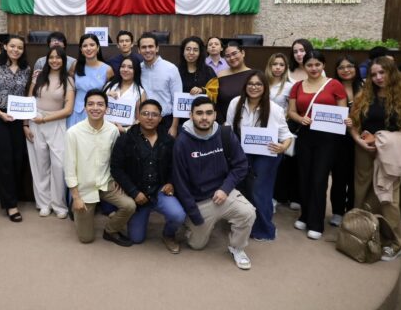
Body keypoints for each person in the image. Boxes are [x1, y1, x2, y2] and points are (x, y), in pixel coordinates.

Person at [350, 57, 401, 261]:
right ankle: (362, 234)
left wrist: (385, 141)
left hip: (394, 151)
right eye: (373, 74)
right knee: (362, 193)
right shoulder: (364, 95)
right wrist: (359, 140)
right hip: (365, 150)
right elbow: (354, 124)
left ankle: (395, 242)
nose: (378, 77)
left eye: (382, 72)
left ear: (392, 72)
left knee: (388, 198)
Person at [172, 96, 255, 270]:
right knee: (196, 245)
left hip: (223, 194)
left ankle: (237, 248)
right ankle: (188, 225)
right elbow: (180, 184)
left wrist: (225, 189)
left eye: (209, 113)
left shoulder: (225, 134)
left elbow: (241, 165)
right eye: (199, 113)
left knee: (248, 212)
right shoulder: (182, 142)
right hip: (199, 202)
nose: (204, 117)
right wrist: (194, 215)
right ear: (191, 115)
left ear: (215, 115)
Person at [287, 50, 348, 240]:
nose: (313, 68)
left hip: (328, 138)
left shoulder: (334, 84)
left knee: (319, 179)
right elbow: (291, 112)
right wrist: (300, 118)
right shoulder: (297, 86)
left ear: (323, 65)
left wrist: (346, 120)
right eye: (309, 65)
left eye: (317, 64)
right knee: (304, 176)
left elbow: (343, 111)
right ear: (304, 66)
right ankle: (305, 215)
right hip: (305, 136)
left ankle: (316, 222)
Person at [111, 99, 185, 253]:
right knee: (136, 238)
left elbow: (175, 166)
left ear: (160, 118)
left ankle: (168, 235)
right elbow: (116, 168)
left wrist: (170, 182)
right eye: (145, 113)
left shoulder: (168, 140)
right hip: (138, 194)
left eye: (154, 114)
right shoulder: (125, 139)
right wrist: (134, 192)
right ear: (138, 116)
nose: (150, 118)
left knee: (178, 215)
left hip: (159, 191)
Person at [226, 71, 292, 241]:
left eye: (258, 84)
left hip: (267, 154)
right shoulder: (235, 103)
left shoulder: (275, 109)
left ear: (264, 87)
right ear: (245, 86)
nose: (254, 87)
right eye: (250, 84)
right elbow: (229, 128)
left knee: (259, 190)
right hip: (242, 152)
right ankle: (242, 224)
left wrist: (282, 147)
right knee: (242, 188)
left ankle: (264, 229)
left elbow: (287, 136)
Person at [65, 89, 136, 245]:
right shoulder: (73, 133)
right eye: (90, 104)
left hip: (106, 183)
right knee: (86, 239)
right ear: (85, 107)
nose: (95, 108)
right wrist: (76, 197)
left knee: (129, 206)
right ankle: (74, 206)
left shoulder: (112, 130)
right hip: (84, 187)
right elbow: (69, 168)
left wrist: (118, 180)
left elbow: (115, 160)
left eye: (100, 104)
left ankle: (110, 230)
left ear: (106, 108)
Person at [0, 35, 31, 222]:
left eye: (20, 47)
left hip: (16, 117)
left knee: (17, 159)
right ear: (5, 47)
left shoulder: (26, 69)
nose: (16, 50)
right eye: (12, 46)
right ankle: (11, 205)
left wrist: (25, 120)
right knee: (4, 161)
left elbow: (25, 95)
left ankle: (11, 196)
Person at [25, 46, 74, 219]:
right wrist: (25, 124)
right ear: (47, 59)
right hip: (35, 122)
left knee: (59, 166)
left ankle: (59, 204)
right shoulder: (38, 76)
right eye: (51, 57)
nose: (54, 60)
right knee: (40, 165)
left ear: (63, 60)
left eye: (58, 57)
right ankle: (44, 203)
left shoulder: (68, 80)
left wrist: (45, 119)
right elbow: (29, 101)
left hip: (56, 123)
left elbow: (68, 109)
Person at [328, 55, 363, 226]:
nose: (346, 70)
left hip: (360, 139)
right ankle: (337, 211)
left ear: (356, 68)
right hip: (338, 139)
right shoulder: (331, 87)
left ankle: (352, 210)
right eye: (341, 67)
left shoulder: (366, 88)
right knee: (339, 176)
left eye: (350, 66)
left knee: (356, 177)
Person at [265, 53, 297, 210]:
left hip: (278, 130)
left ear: (286, 68)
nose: (278, 67)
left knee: (276, 167)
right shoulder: (263, 82)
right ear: (269, 66)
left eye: (281, 65)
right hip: (260, 129)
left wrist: (278, 120)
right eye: (275, 64)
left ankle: (274, 197)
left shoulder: (290, 86)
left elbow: (290, 110)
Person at [139, 32, 183, 136]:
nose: (147, 50)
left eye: (151, 46)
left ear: (157, 48)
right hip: (144, 121)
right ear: (139, 50)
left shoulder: (171, 68)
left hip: (166, 121)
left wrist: (174, 126)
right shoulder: (138, 69)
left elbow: (178, 100)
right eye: (144, 47)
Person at [67, 33, 113, 127]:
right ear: (81, 49)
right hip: (77, 112)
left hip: (96, 112)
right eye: (85, 46)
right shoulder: (75, 66)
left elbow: (112, 89)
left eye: (92, 45)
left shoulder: (107, 69)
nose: (88, 48)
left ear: (98, 48)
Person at [103, 56, 146, 133]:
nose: (125, 70)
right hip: (106, 129)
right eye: (123, 66)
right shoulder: (109, 86)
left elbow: (139, 119)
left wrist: (126, 130)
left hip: (127, 132)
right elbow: (99, 108)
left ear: (136, 70)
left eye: (130, 67)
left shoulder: (140, 91)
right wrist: (105, 98)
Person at [215, 39, 252, 124]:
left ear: (243, 53)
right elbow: (215, 102)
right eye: (227, 56)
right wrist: (222, 122)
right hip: (224, 123)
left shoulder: (253, 75)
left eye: (234, 53)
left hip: (248, 123)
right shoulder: (219, 76)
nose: (231, 58)